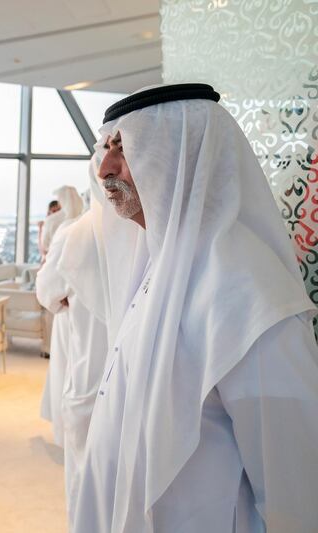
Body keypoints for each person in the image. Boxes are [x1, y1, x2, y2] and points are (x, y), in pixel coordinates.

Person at [72, 83, 318, 532]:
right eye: (105, 148)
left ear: (178, 158)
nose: (104, 167)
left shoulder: (248, 294)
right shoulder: (157, 264)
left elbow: (295, 490)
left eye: (124, 149)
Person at [36, 160, 109, 523]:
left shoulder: (75, 231)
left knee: (88, 474)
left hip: (90, 361)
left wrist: (63, 296)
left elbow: (48, 290)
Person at [39, 188, 83, 260]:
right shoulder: (80, 220)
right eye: (54, 211)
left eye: (58, 209)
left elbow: (44, 250)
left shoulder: (51, 221)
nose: (56, 213)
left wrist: (41, 229)